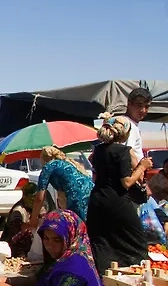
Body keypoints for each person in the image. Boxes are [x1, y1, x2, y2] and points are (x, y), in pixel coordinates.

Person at [86, 115, 152, 271]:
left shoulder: (98, 150)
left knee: (102, 241)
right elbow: (127, 182)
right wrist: (142, 166)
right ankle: (132, 273)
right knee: (137, 242)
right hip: (117, 201)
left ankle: (102, 276)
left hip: (97, 200)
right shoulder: (123, 151)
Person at [27, 146, 93, 226]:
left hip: (77, 198)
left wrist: (33, 219)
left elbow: (40, 198)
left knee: (77, 229)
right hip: (92, 194)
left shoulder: (48, 167)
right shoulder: (68, 163)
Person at [2, 183, 46, 258]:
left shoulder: (37, 207)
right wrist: (33, 224)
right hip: (13, 241)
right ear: (25, 196)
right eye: (31, 198)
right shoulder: (18, 210)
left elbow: (44, 217)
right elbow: (18, 227)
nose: (33, 200)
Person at [124, 88, 152, 165]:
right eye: (139, 105)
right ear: (129, 104)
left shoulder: (124, 123)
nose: (143, 110)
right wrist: (142, 167)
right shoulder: (130, 126)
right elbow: (129, 152)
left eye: (146, 106)